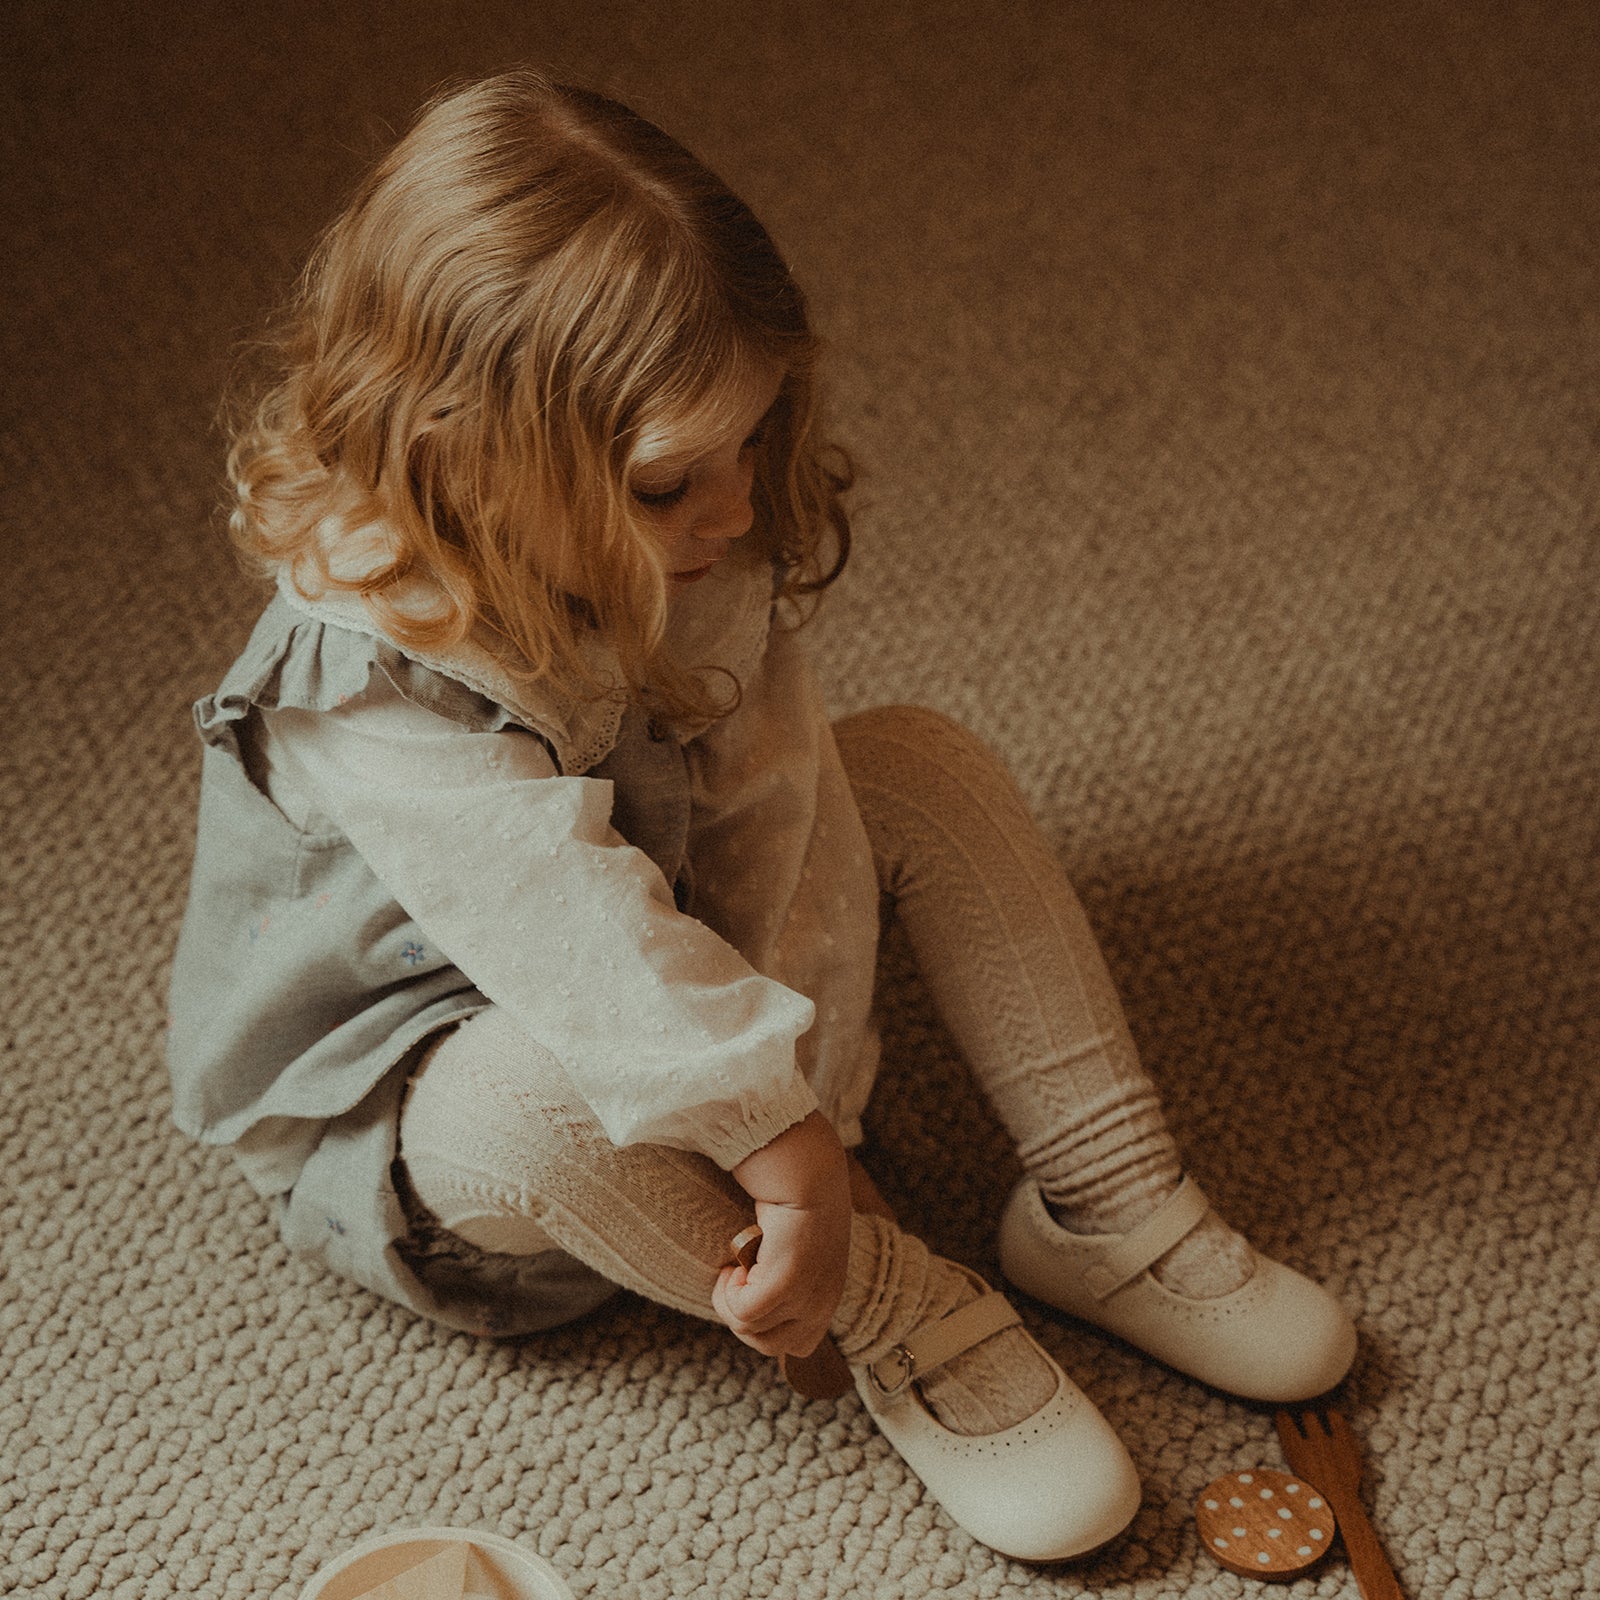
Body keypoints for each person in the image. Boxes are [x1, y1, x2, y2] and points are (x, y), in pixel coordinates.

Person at [167, 69, 1355, 1562]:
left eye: (752, 440)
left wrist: (816, 1120)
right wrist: (797, 1173)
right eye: (674, 482)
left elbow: (768, 814)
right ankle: (905, 1316)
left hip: (677, 981)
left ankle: (1113, 1210)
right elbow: (578, 941)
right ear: (473, 457)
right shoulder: (370, 668)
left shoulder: (688, 527)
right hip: (448, 1104)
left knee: (916, 761)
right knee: (520, 1086)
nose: (732, 511)